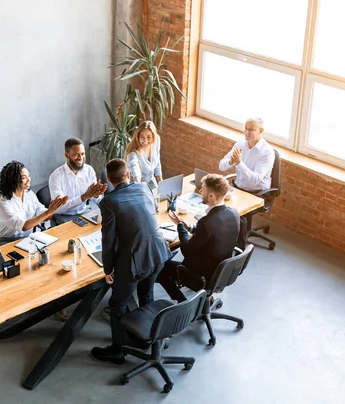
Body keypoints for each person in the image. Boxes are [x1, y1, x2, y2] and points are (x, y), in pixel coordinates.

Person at [90, 158, 172, 364]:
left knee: (117, 304)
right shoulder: (144, 187)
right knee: (146, 294)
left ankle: (118, 350)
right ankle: (150, 338)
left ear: (108, 179)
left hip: (136, 261)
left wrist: (108, 269)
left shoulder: (108, 202)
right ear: (128, 175)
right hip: (159, 253)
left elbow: (108, 241)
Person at [156, 174, 239, 302]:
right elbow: (213, 234)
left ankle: (183, 302)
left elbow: (187, 251)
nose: (200, 191)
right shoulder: (233, 213)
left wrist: (180, 227)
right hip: (220, 273)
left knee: (161, 267)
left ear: (211, 195)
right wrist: (189, 227)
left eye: (203, 189)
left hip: (201, 275)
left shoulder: (206, 222)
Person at [0, 161, 68, 246]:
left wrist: (52, 210)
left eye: (29, 176)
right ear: (13, 181)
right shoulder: (3, 203)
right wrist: (48, 212)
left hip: (27, 239)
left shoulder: (29, 194)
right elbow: (23, 226)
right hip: (7, 242)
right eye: (24, 177)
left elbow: (43, 214)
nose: (29, 179)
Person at [49, 138, 107, 225]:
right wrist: (84, 196)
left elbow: (93, 198)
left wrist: (96, 195)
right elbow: (59, 208)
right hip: (63, 216)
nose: (80, 158)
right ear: (66, 155)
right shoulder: (56, 176)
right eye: (76, 154)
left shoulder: (89, 170)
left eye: (83, 154)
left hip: (84, 212)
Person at [218, 117, 275, 192]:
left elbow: (255, 180)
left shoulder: (267, 152)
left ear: (261, 131)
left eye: (251, 129)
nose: (247, 132)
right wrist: (230, 162)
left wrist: (239, 163)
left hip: (256, 194)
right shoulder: (240, 144)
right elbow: (221, 166)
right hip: (238, 188)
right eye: (246, 128)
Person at [125, 120, 163, 186]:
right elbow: (135, 170)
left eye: (148, 137)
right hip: (138, 185)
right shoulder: (132, 153)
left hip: (151, 181)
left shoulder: (156, 140)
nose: (145, 141)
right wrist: (137, 181)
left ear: (153, 136)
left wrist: (161, 183)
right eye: (142, 137)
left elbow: (157, 161)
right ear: (138, 137)